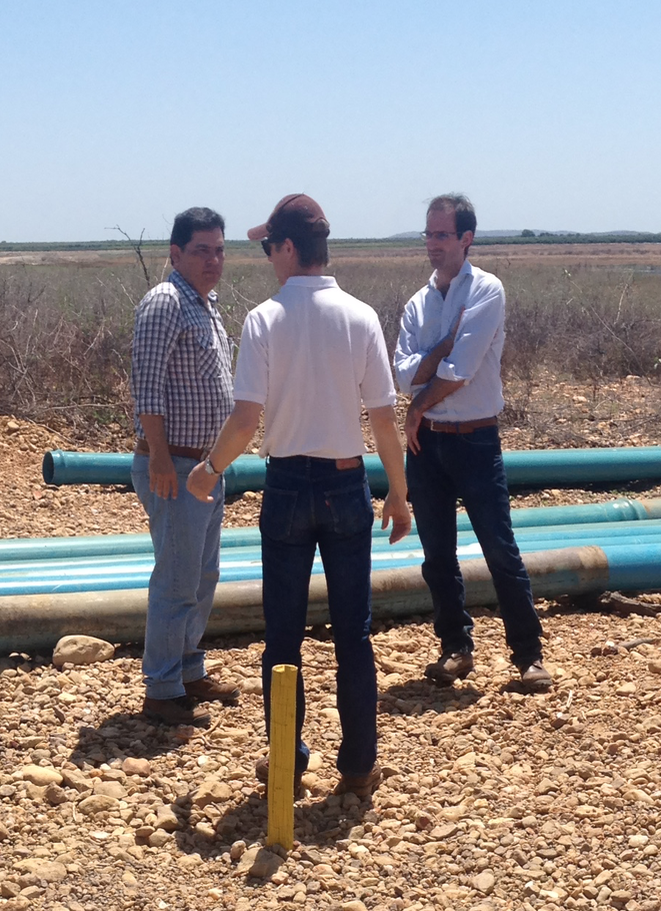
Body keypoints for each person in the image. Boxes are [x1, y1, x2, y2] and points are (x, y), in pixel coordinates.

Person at [188, 194, 411, 799]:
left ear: (289, 248)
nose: (266, 256)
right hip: (345, 483)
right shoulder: (361, 317)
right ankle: (358, 766)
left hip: (286, 485)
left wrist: (210, 469)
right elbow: (383, 419)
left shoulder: (264, 320)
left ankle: (286, 762)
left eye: (268, 247)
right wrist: (398, 493)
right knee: (353, 634)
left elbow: (246, 419)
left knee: (283, 636)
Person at [394, 194, 553, 691]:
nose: (433, 243)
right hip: (427, 444)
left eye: (442, 234)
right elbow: (402, 376)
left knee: (499, 548)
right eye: (428, 234)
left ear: (467, 238)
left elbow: (459, 371)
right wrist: (439, 353)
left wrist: (418, 403)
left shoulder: (486, 289)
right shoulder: (418, 303)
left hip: (474, 439)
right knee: (436, 554)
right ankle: (455, 648)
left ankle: (528, 655)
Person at [130, 207, 240, 727]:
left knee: (203, 574)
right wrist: (158, 457)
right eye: (201, 251)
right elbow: (147, 388)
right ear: (176, 254)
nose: (213, 260)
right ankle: (162, 689)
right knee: (176, 579)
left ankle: (188, 669)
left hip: (205, 466)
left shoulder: (206, 305)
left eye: (219, 250)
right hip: (172, 462)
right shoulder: (165, 302)